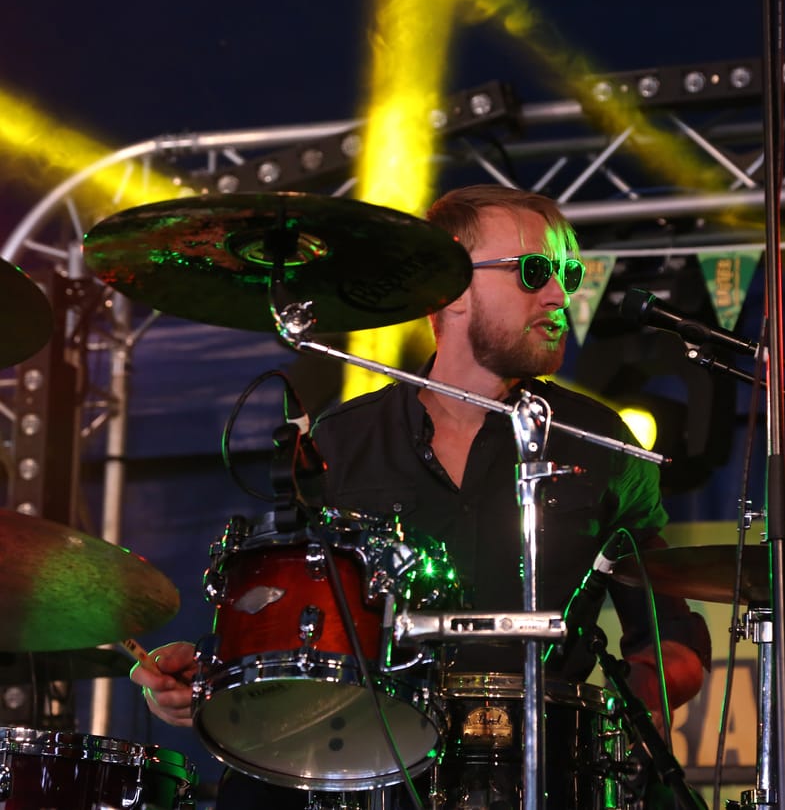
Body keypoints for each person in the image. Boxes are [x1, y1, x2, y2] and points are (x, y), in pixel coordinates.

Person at [131, 184, 712, 808]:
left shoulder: (604, 443)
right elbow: (293, 639)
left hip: (541, 768)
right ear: (451, 289)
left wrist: (629, 707)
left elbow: (671, 640)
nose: (559, 294)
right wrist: (213, 675)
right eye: (535, 271)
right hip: (365, 766)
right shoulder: (340, 443)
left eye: (569, 274)